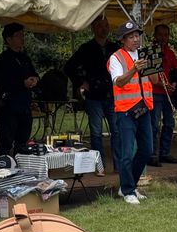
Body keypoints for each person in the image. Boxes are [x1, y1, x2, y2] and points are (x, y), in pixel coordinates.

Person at [108, 20, 157, 204]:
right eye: (131, 37)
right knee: (127, 153)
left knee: (147, 150)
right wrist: (134, 69)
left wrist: (153, 65)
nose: (136, 39)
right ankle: (128, 190)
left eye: (137, 36)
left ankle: (128, 186)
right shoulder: (116, 58)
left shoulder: (144, 54)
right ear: (123, 40)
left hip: (144, 108)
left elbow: (154, 80)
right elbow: (119, 82)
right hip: (126, 111)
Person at [64, 16, 120, 174]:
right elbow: (69, 67)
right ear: (93, 28)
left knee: (117, 131)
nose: (104, 28)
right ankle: (99, 166)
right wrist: (81, 82)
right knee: (96, 133)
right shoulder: (86, 48)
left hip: (112, 94)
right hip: (94, 95)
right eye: (100, 26)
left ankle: (118, 165)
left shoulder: (115, 48)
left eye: (106, 25)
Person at [0, 23, 38, 157]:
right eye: (18, 35)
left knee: (22, 143)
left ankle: (21, 165)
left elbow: (34, 73)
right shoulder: (2, 60)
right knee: (6, 142)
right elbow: (1, 82)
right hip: (9, 106)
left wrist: (35, 80)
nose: (22, 38)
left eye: (22, 35)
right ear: (9, 39)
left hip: (25, 105)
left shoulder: (25, 58)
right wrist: (22, 83)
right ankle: (3, 166)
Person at [149, 23, 177, 166]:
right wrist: (163, 85)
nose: (163, 38)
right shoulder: (151, 52)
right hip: (155, 92)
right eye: (160, 35)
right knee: (154, 125)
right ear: (155, 36)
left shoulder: (170, 52)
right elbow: (150, 76)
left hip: (169, 93)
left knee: (169, 124)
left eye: (166, 35)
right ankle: (152, 155)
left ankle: (165, 153)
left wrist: (174, 84)